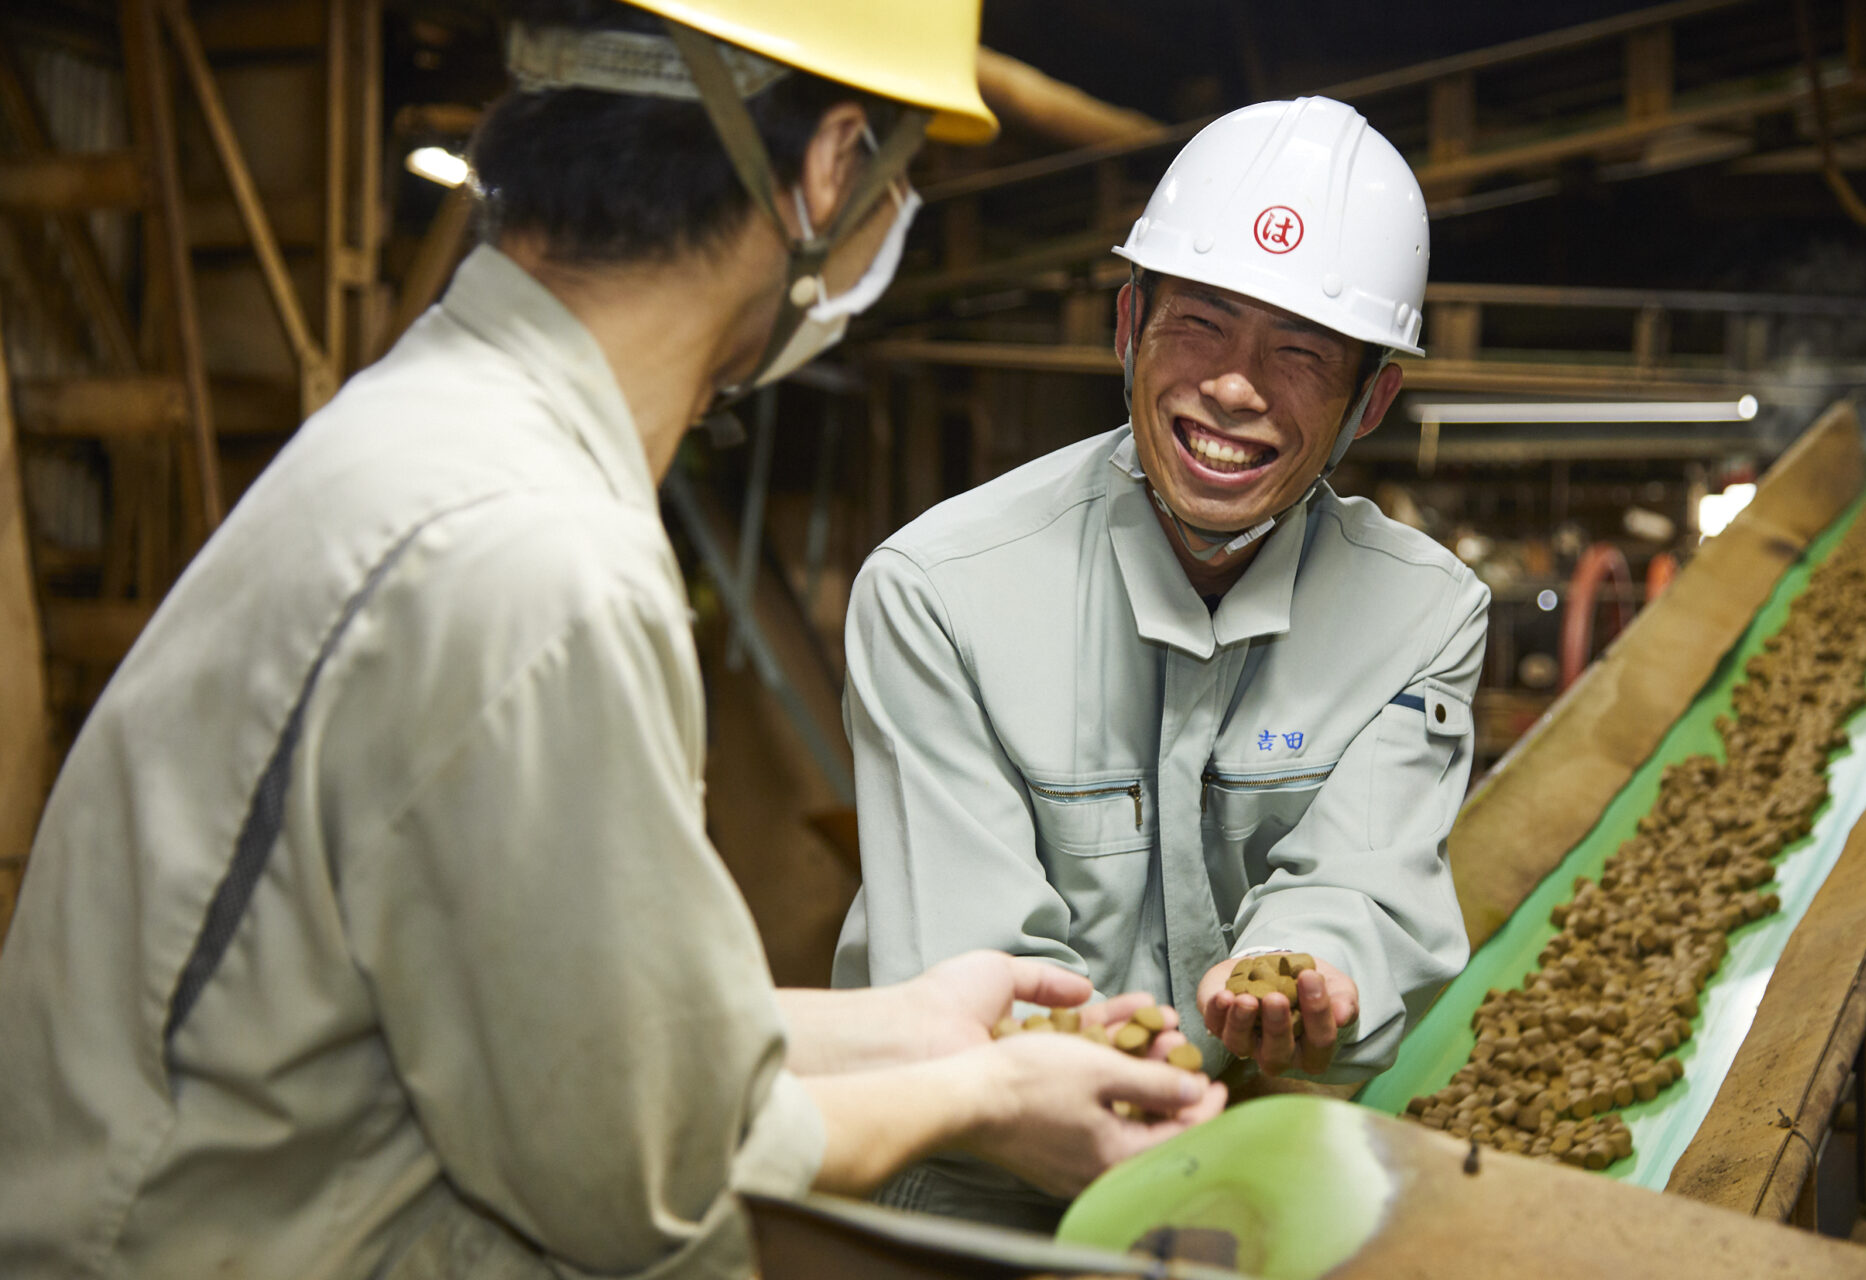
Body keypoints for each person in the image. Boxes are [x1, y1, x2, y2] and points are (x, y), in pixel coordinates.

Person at [0, 3, 1224, 1276]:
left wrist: (912, 1026)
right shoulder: (536, 562)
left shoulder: (435, 431)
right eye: (901, 176)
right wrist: (989, 1097)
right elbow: (638, 1176)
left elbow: (570, 1022)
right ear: (828, 166)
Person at [833, 97, 1488, 1226]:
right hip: (973, 1184)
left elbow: (1364, 880)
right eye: (1202, 324)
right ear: (1129, 323)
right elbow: (969, 961)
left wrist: (1305, 968)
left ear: (1368, 400)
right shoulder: (939, 591)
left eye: (1301, 351)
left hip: (1248, 1165)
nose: (1236, 386)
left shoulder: (1421, 613)